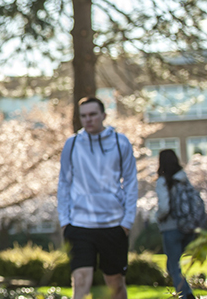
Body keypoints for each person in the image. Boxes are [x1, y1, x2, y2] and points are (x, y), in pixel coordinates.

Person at [58, 97, 137, 299]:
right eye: (83, 116)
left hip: (113, 225)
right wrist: (65, 220)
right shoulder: (72, 144)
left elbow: (130, 182)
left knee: (115, 284)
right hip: (79, 225)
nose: (88, 119)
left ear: (103, 115)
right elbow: (64, 183)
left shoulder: (121, 143)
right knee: (81, 281)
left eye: (93, 114)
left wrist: (127, 221)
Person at [156, 149, 197, 299]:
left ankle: (186, 295)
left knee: (173, 266)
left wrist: (158, 217)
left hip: (171, 228)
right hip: (188, 227)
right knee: (176, 265)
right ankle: (186, 291)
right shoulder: (184, 179)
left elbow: (164, 207)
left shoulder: (163, 181)